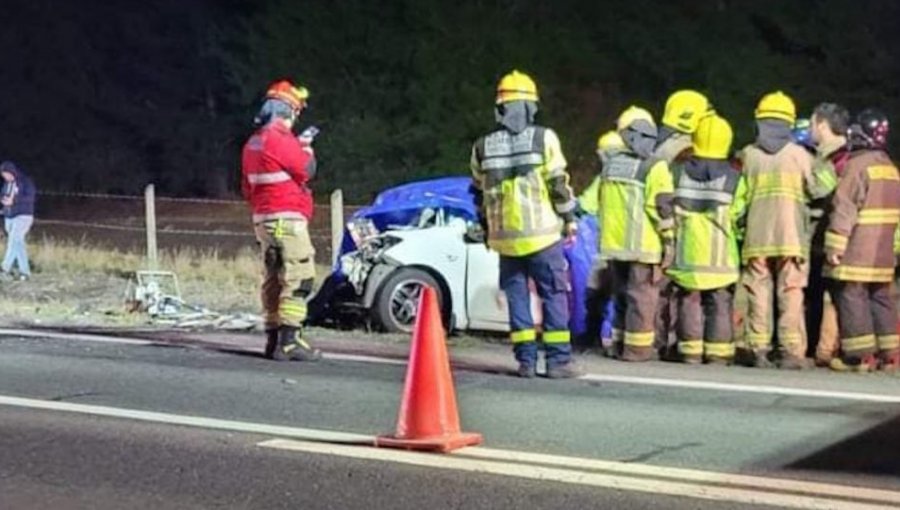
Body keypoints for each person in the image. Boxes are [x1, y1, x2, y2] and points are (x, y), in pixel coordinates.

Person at [470, 70, 580, 379]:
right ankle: (558, 361)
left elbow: (478, 191)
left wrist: (486, 228)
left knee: (518, 299)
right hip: (543, 236)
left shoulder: (482, 146)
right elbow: (558, 184)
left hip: (505, 240)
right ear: (531, 107)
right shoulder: (544, 138)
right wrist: (570, 219)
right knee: (553, 295)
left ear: (500, 107)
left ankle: (526, 362)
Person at [739, 91, 832, 369]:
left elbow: (740, 199)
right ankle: (790, 351)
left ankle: (758, 348)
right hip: (791, 237)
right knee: (790, 291)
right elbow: (822, 187)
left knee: (758, 290)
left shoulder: (748, 155)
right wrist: (823, 161)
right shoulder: (799, 154)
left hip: (756, 237)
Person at [241, 79, 321, 362]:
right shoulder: (280, 138)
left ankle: (273, 339)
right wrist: (307, 148)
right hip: (288, 219)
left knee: (274, 278)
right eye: (295, 113)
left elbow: (247, 188)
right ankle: (290, 341)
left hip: (264, 220)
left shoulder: (252, 143)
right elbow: (306, 169)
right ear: (287, 111)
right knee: (300, 277)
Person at [667, 114, 747, 365]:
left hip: (687, 254)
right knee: (720, 303)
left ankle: (690, 351)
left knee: (689, 300)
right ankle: (718, 354)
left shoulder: (677, 172)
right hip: (722, 257)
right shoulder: (734, 178)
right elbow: (738, 215)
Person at [825, 108, 900, 372]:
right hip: (884, 252)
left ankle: (858, 356)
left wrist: (835, 246)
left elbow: (844, 208)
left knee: (852, 295)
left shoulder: (857, 166)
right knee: (882, 298)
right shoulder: (891, 168)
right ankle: (890, 354)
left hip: (859, 249)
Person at [599, 106, 675, 362]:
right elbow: (661, 206)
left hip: (614, 245)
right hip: (644, 245)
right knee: (642, 298)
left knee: (620, 295)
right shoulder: (655, 166)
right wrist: (669, 241)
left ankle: (618, 344)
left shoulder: (609, 166)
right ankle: (638, 350)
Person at [653, 90, 713, 359]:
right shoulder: (691, 152)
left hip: (664, 222)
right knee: (684, 289)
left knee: (663, 289)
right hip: (685, 226)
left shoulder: (659, 147)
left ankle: (658, 341)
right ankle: (680, 344)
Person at [804, 103, 850, 366]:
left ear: (822, 125)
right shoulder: (845, 155)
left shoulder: (838, 160)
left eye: (812, 124)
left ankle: (822, 350)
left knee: (829, 297)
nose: (810, 130)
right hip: (828, 240)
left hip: (826, 241)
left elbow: (822, 192)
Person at [577, 131, 627, 353]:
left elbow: (585, 205)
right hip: (629, 244)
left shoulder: (606, 177)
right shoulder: (639, 172)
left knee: (597, 290)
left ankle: (594, 335)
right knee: (618, 293)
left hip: (610, 243)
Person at [1, 161, 36, 281]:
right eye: (3, 175)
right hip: (9, 217)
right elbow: (4, 197)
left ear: (12, 172)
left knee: (13, 240)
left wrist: (14, 201)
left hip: (23, 216)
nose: (5, 177)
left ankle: (4, 268)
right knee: (18, 244)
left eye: (6, 174)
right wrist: (4, 207)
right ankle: (25, 272)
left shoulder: (25, 182)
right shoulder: (6, 185)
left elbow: (29, 198)